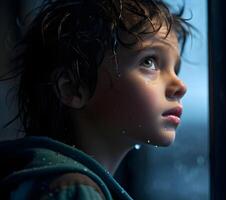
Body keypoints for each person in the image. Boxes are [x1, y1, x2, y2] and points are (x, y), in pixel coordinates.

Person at [0, 0, 192, 199]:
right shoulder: (74, 191)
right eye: (149, 61)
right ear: (73, 88)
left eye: (175, 69)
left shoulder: (40, 179)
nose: (180, 86)